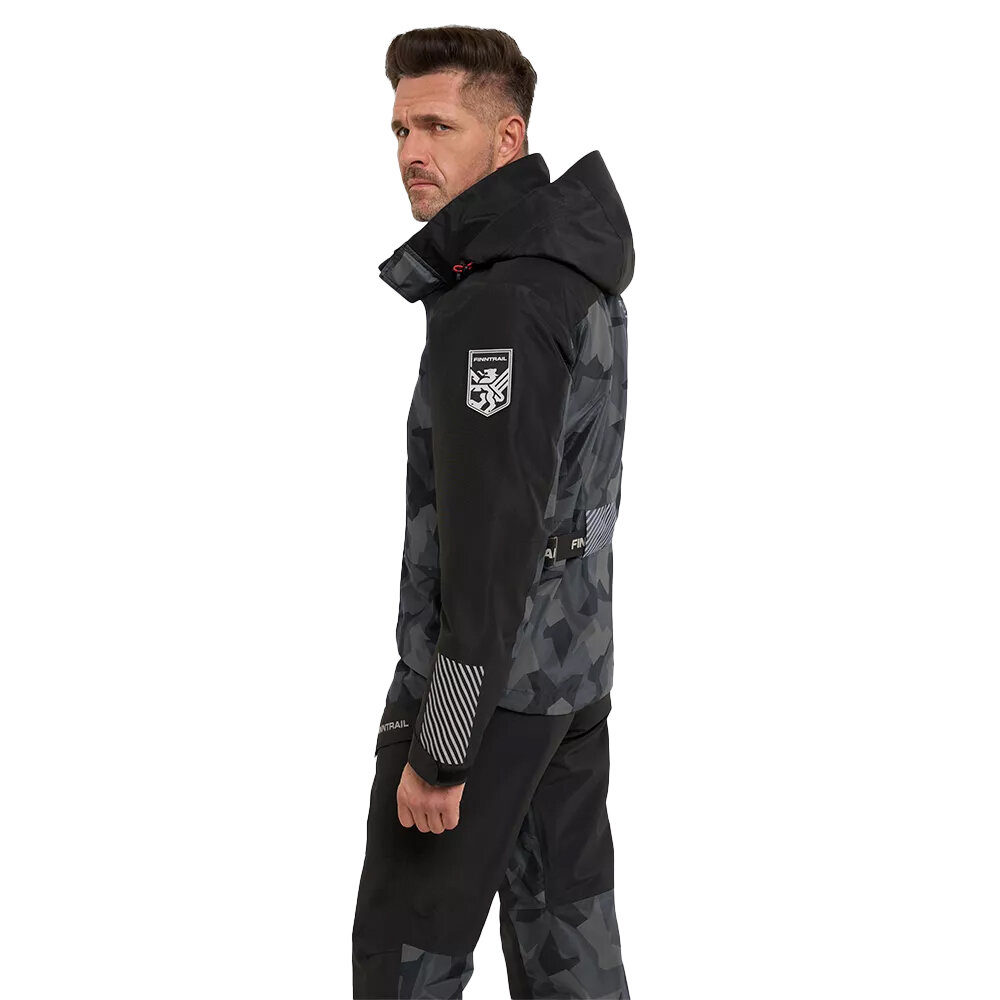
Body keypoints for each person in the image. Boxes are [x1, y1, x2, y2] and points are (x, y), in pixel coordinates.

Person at [353, 25, 634, 999]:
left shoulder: (502, 304)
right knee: (569, 947)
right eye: (400, 129)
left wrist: (441, 745)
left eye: (439, 126)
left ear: (507, 137)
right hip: (569, 678)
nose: (411, 152)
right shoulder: (566, 268)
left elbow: (492, 543)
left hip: (486, 692)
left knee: (404, 961)